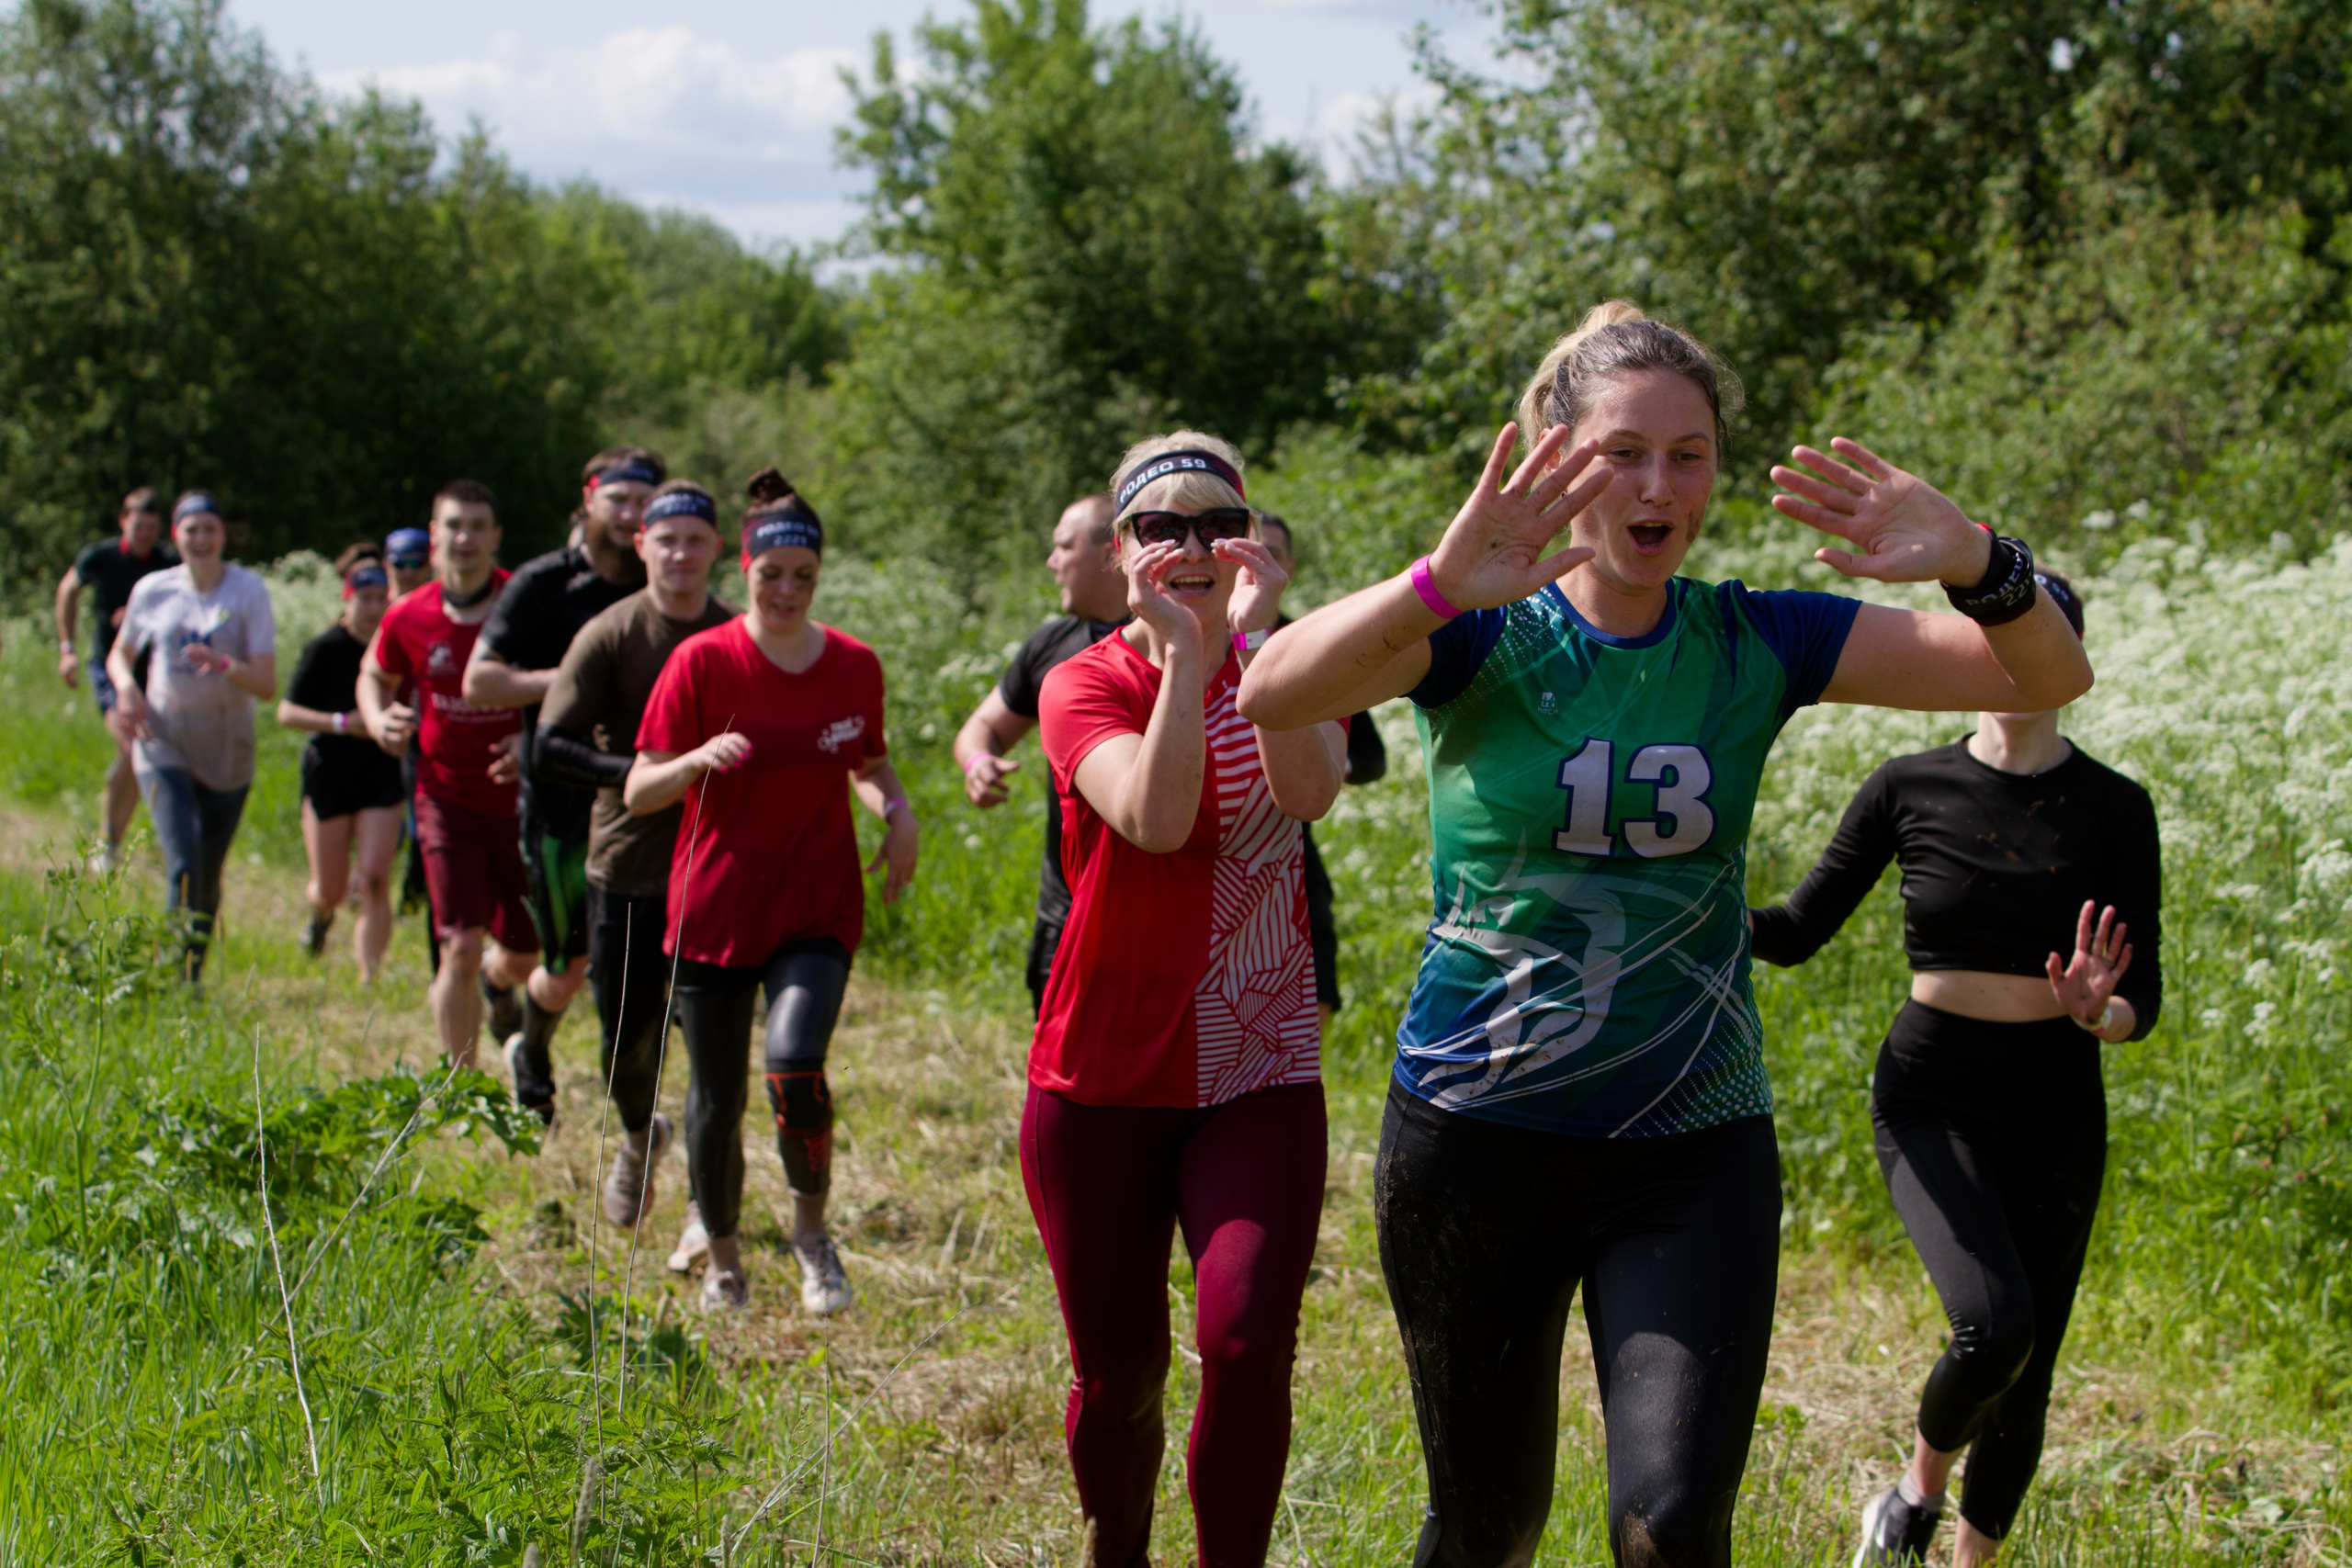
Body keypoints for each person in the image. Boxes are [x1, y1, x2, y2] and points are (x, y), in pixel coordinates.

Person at [1234, 301, 2094, 1568]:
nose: (1657, 485)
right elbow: (1273, 688)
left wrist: (1977, 557)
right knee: (1486, 1526)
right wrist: (1436, 581)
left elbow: (2043, 676)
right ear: (1554, 453)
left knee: (1673, 1521)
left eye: (1688, 455)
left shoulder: (1756, 635)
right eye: (1624, 451)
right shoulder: (1477, 628)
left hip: (1691, 1145)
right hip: (1475, 1137)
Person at [1747, 572, 2159, 1568]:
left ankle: (1968, 1556)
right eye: (1995, 638)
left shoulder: (2114, 807)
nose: (2014, 660)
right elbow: (1797, 932)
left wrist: (2100, 1010)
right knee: (1992, 1324)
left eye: (2038, 641)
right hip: (1932, 1092)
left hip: (2057, 1099)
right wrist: (1686, 898)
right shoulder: (1907, 785)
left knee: (2032, 1363)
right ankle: (1911, 1495)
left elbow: (2142, 1003)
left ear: (2071, 661)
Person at [1024, 434, 1348, 1568]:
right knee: (1120, 1380)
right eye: (1162, 526)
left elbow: (1308, 792)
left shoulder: (1295, 661)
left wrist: (1250, 651)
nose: (1192, 544)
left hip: (1256, 1068)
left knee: (1249, 1340)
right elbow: (1155, 820)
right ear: (1121, 553)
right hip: (1103, 1074)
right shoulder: (1085, 680)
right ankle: (1117, 1549)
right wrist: (1179, 656)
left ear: (1251, 542)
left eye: (1217, 523)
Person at [626, 468, 919, 1314]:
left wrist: (896, 811)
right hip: (715, 909)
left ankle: (810, 1237)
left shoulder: (854, 665)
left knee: (795, 1068)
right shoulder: (701, 662)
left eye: (804, 577)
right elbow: (642, 789)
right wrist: (693, 761)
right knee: (714, 1103)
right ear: (744, 571)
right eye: (770, 575)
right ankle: (723, 1260)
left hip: (815, 903)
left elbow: (867, 761)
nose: (787, 590)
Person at [537, 479, 736, 1228]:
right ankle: (635, 1134)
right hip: (626, 865)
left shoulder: (737, 632)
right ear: (642, 544)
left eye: (695, 539)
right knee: (628, 1039)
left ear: (715, 549)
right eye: (667, 538)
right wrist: (646, 777)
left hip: (715, 866)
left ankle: (705, 1192)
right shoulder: (612, 633)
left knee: (714, 1044)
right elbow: (548, 744)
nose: (681, 552)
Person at [464, 446, 660, 1125]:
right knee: (567, 966)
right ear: (590, 499)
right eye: (620, 498)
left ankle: (638, 1102)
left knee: (641, 968)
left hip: (648, 806)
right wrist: (580, 682)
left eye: (646, 501)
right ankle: (531, 1049)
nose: (632, 513)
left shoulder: (669, 587)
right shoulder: (544, 584)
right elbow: (479, 679)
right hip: (561, 802)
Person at [358, 479, 539, 1067]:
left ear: (496, 538)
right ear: (434, 537)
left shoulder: (527, 604)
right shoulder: (409, 614)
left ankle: (499, 982)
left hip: (522, 804)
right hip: (444, 801)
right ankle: (460, 1087)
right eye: (453, 526)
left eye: (477, 526)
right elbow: (374, 673)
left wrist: (531, 735)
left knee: (526, 953)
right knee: (457, 945)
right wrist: (378, 716)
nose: (465, 538)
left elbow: (572, 682)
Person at [953, 494, 1129, 1014]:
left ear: (1109, 553)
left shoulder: (1181, 644)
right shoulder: (1051, 645)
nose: (1052, 562)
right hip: (1066, 913)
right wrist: (978, 762)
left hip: (1156, 916)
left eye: (1062, 546)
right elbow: (981, 727)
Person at [106, 491, 278, 981]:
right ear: (175, 536)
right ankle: (169, 977)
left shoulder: (248, 591)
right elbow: (121, 654)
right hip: (163, 739)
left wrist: (223, 663)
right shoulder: (154, 590)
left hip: (228, 747)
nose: (200, 539)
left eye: (209, 529)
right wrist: (125, 687)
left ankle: (190, 974)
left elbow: (266, 685)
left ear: (223, 534)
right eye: (190, 529)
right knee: (183, 860)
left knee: (206, 875)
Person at [1255, 511, 1388, 1030]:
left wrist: (1328, 764)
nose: (1259, 561)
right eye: (1251, 547)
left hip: (1294, 854)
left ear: (1289, 566)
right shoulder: (1199, 639)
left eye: (1274, 553)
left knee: (1312, 1006)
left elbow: (1373, 755)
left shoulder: (1312, 641)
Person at [277, 545, 408, 977]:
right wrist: (341, 722)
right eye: (364, 599)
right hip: (329, 772)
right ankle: (320, 916)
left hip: (381, 771)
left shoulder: (399, 648)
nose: (373, 608)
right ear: (346, 598)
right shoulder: (325, 648)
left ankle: (369, 978)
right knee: (330, 889)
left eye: (380, 599)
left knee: (373, 879)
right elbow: (287, 713)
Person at [56, 488, 180, 873]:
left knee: (149, 753)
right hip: (111, 668)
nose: (144, 535)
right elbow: (67, 590)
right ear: (123, 521)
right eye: (138, 526)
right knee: (132, 747)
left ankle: (152, 840)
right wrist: (67, 648)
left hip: (157, 672)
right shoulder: (102, 557)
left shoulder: (168, 561)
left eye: (152, 528)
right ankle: (109, 844)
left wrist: (142, 615)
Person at [385, 527, 434, 598]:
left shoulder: (443, 606)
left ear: (430, 565)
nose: (408, 573)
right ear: (386, 565)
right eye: (400, 564)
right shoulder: (373, 604)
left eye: (417, 563)